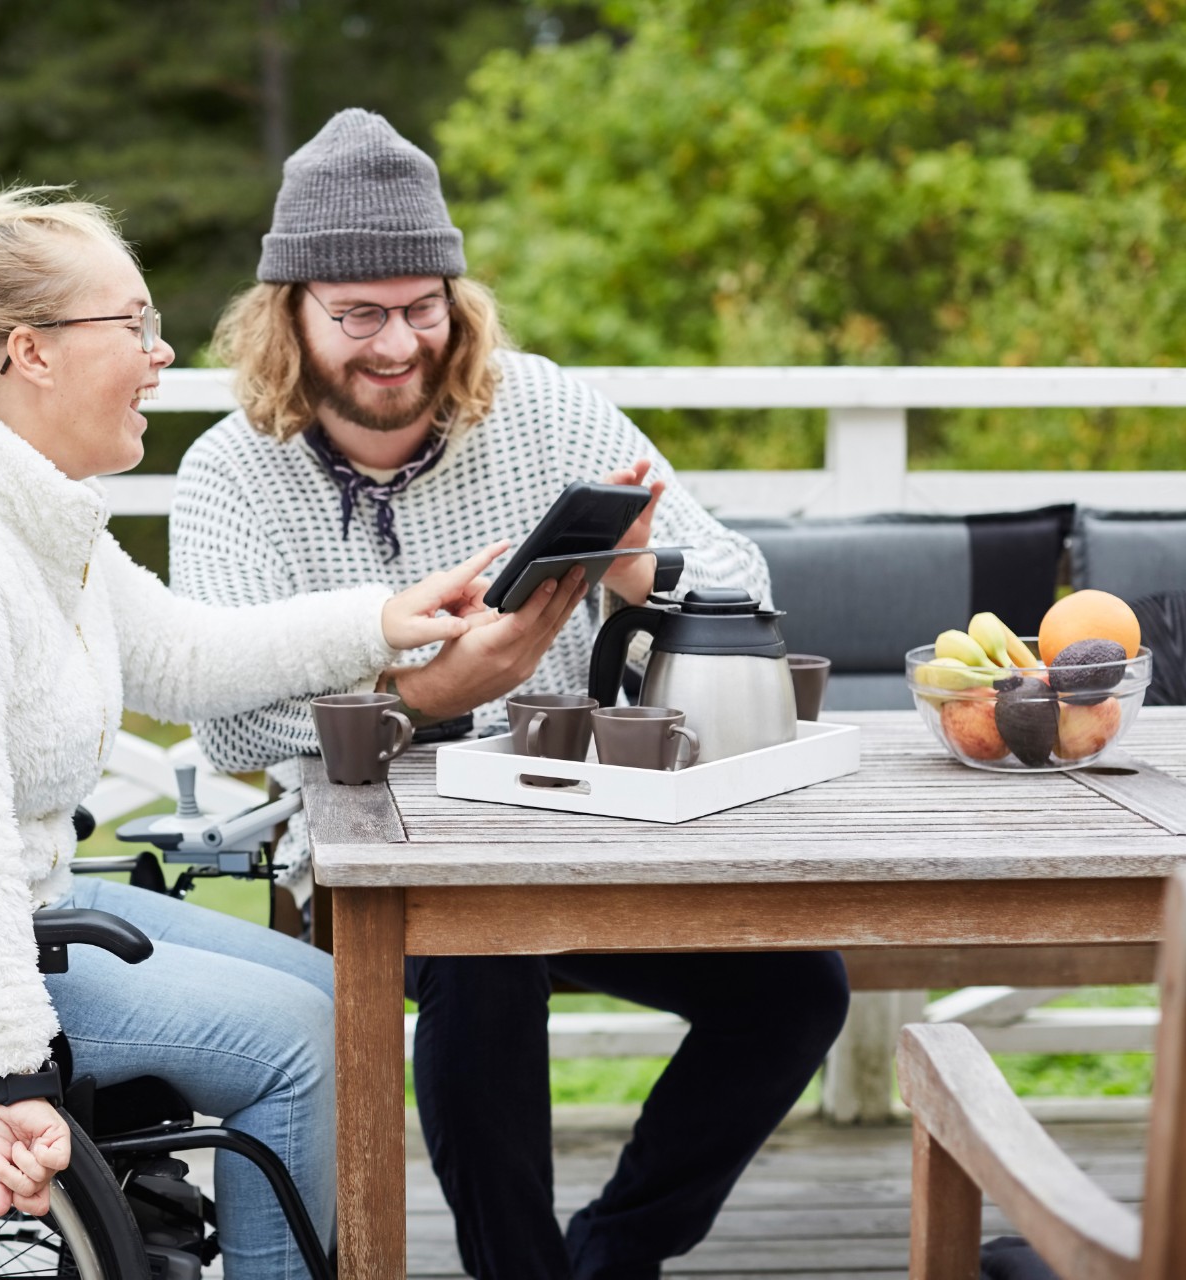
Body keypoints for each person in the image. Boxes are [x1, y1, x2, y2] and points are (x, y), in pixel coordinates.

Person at [0, 156, 503, 1280]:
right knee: (308, 1045)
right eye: (136, 322)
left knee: (336, 991)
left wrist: (386, 617)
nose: (164, 353)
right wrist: (10, 1075)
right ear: (34, 351)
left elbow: (186, 652)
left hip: (30, 897)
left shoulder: (27, 517)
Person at [170, 109, 852, 1280]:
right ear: (289, 313)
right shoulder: (228, 472)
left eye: (423, 304)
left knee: (798, 990)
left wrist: (641, 570)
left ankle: (611, 1253)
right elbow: (231, 722)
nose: (398, 343)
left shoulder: (538, 404)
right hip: (385, 847)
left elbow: (746, 581)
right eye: (361, 315)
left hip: (591, 821)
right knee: (482, 970)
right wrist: (433, 694)